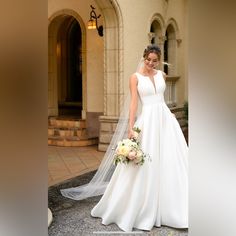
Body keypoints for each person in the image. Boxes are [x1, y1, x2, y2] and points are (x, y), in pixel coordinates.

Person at [61, 44, 188, 232]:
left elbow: (162, 99)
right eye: (148, 60)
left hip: (165, 121)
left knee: (172, 159)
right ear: (143, 57)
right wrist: (131, 128)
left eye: (154, 60)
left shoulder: (162, 75)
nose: (151, 63)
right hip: (148, 122)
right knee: (146, 163)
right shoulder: (134, 78)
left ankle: (173, 204)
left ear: (158, 60)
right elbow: (134, 105)